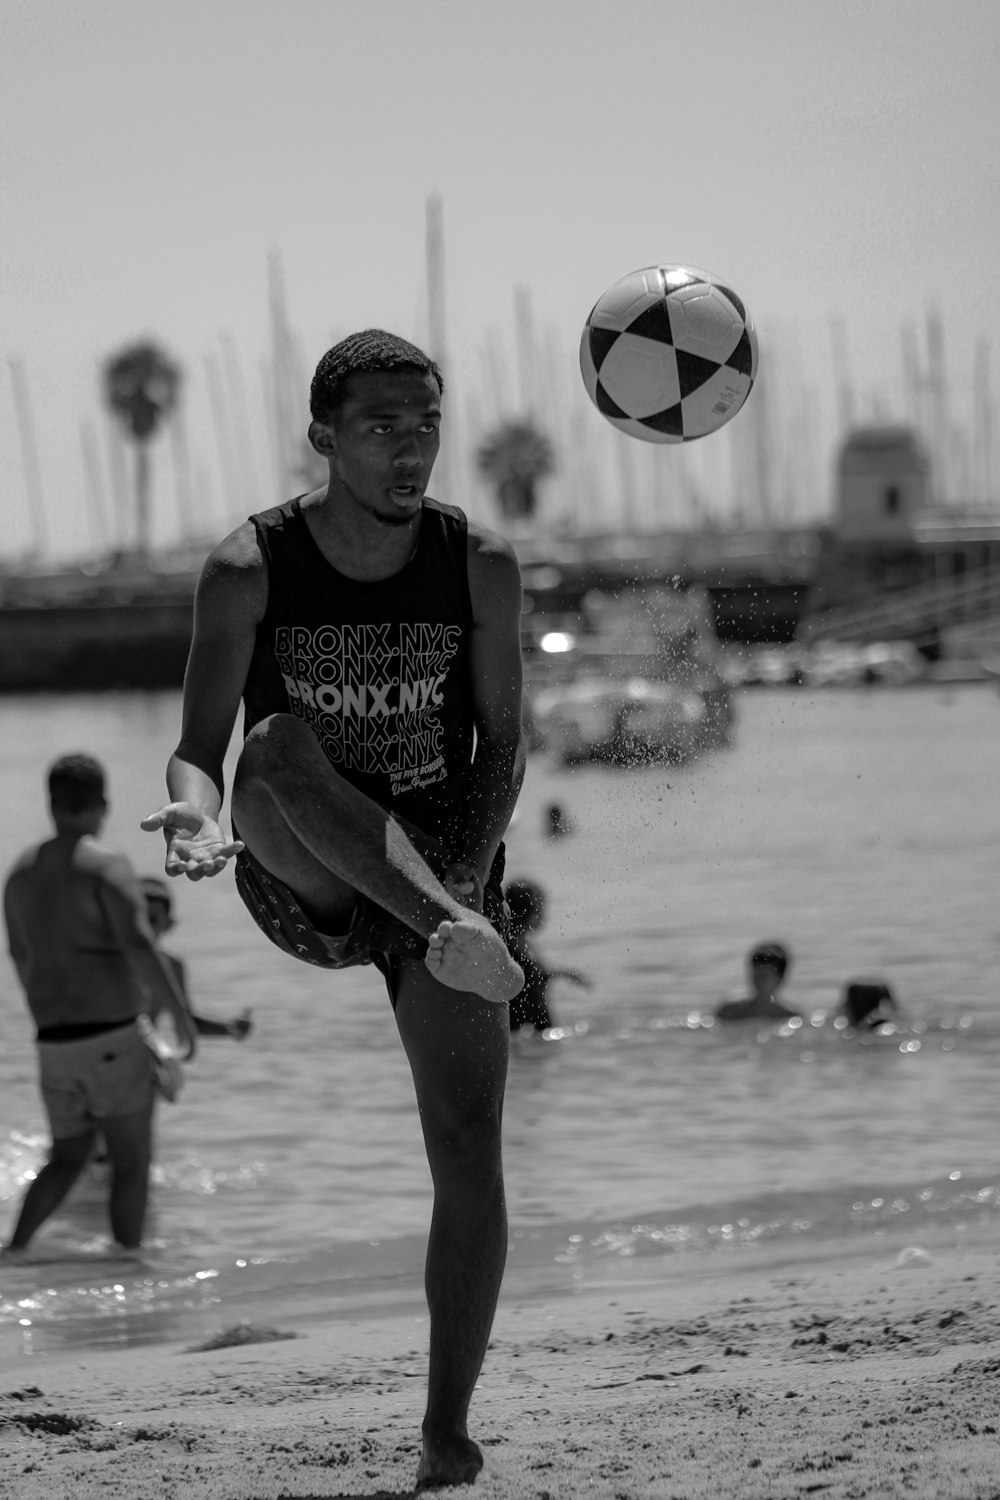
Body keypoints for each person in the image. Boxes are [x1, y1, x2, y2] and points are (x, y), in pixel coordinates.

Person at [141, 330, 525, 1492]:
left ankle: (446, 1431)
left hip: (445, 874)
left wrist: (458, 886)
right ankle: (449, 932)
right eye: (380, 427)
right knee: (278, 746)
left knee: (468, 1154)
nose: (410, 449)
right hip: (300, 865)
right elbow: (199, 756)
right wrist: (196, 820)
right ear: (323, 436)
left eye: (425, 425)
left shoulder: (479, 564)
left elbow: (504, 743)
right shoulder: (249, 568)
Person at [2, 755, 197, 1259]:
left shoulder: (19, 874)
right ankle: (129, 1266)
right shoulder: (106, 866)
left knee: (67, 1157)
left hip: (53, 1042)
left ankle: (14, 1252)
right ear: (103, 803)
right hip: (111, 1036)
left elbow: (21, 958)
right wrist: (181, 1019)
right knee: (131, 1164)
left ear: (50, 803)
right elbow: (139, 947)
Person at [140, 876, 252, 1040]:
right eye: (136, 919)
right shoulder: (105, 958)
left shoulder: (171, 965)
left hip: (138, 1053)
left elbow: (185, 1019)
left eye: (153, 920)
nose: (142, 928)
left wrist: (229, 1028)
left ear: (169, 924)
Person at [505, 878, 590, 1032]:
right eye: (540, 908)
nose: (544, 915)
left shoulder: (520, 944)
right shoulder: (511, 948)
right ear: (528, 911)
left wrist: (564, 973)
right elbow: (528, 978)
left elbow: (534, 976)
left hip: (534, 1032)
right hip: (525, 1032)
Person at [715, 940, 801, 1022]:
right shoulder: (730, 1010)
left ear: (780, 979)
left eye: (763, 977)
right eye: (755, 976)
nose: (758, 981)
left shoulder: (790, 1016)